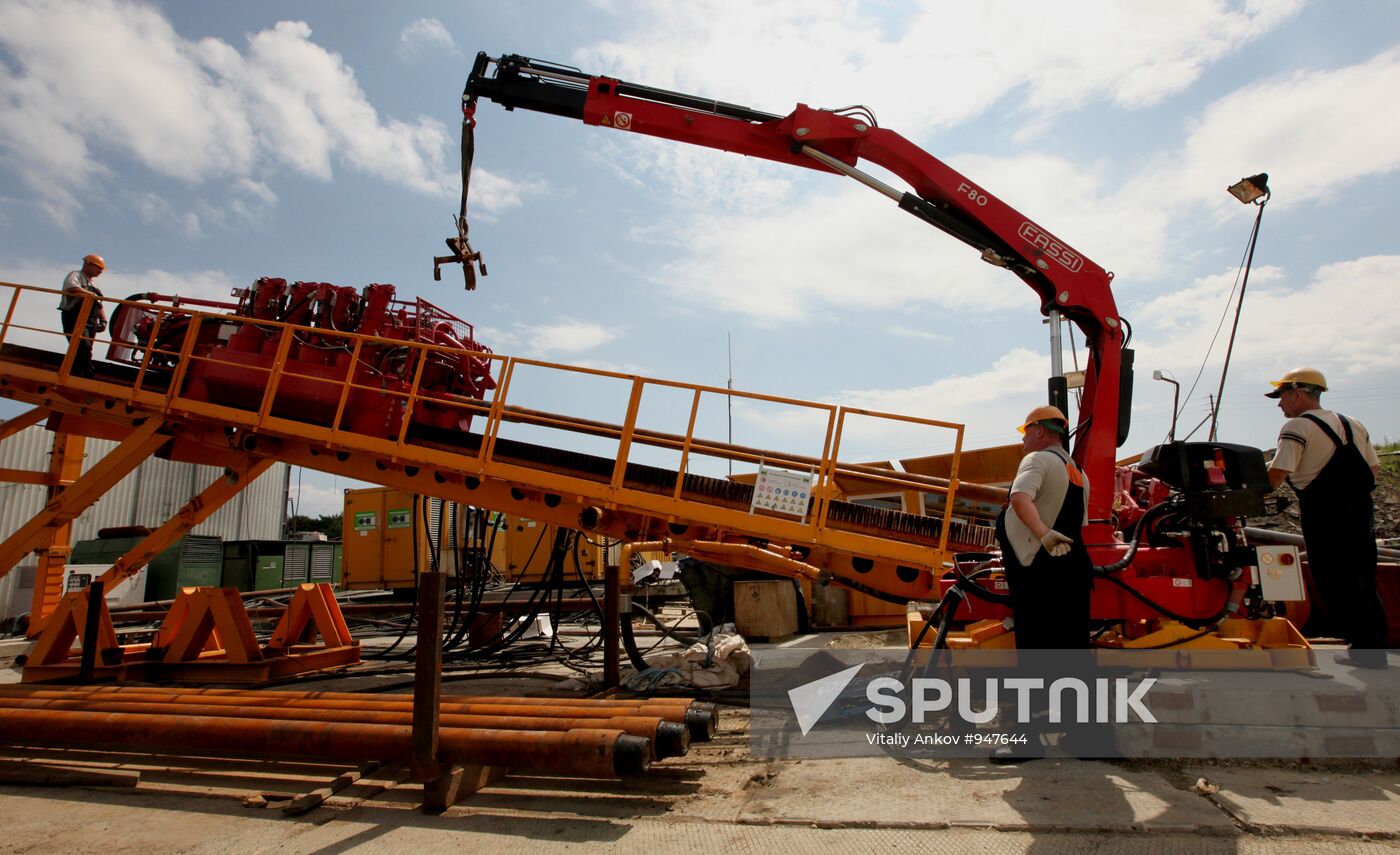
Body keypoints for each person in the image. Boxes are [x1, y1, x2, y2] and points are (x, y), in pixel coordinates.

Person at [1265, 367, 1388, 668]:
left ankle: (1363, 650)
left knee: (1334, 578)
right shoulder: (1353, 423)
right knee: (1362, 575)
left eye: (1282, 396)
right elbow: (1373, 470)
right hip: (1361, 509)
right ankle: (1373, 647)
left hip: (1324, 511)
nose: (1279, 404)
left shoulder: (1297, 427)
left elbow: (1277, 474)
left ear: (1298, 393)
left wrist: (1243, 495)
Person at [995, 404, 1093, 651]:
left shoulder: (1037, 459)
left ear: (1039, 431)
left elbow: (1020, 498)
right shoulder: (1080, 473)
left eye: (1026, 432)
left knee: (1038, 644)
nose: (1023, 439)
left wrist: (1043, 532)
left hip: (1039, 573)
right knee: (1071, 644)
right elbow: (1079, 524)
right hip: (1072, 570)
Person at [58, 253, 107, 377]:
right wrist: (90, 295)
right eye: (98, 267)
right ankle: (88, 374)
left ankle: (76, 373)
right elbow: (71, 287)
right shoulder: (76, 275)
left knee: (86, 348)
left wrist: (103, 320)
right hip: (75, 318)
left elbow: (99, 303)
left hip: (91, 320)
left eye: (102, 269)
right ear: (87, 263)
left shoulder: (94, 285)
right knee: (83, 346)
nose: (100, 271)